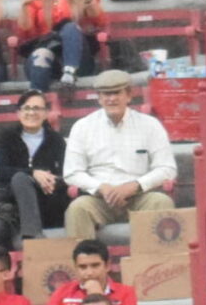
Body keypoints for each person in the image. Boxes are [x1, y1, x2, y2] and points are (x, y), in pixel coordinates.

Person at [61, 71, 177, 243]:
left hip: (139, 197)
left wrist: (135, 185)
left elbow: (167, 169)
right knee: (77, 208)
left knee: (161, 202)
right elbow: (72, 172)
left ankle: (156, 267)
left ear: (129, 95)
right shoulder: (82, 127)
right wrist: (101, 187)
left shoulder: (150, 125)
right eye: (106, 94)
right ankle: (86, 267)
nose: (111, 99)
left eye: (117, 93)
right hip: (99, 200)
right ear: (99, 98)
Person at [0, 92, 70, 253]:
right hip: (13, 205)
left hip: (47, 203)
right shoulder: (7, 137)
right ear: (18, 113)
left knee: (21, 177)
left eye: (37, 108)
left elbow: (66, 175)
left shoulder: (56, 140)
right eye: (27, 108)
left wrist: (50, 180)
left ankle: (32, 235)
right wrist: (33, 173)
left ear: (45, 113)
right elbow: (1, 172)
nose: (31, 113)